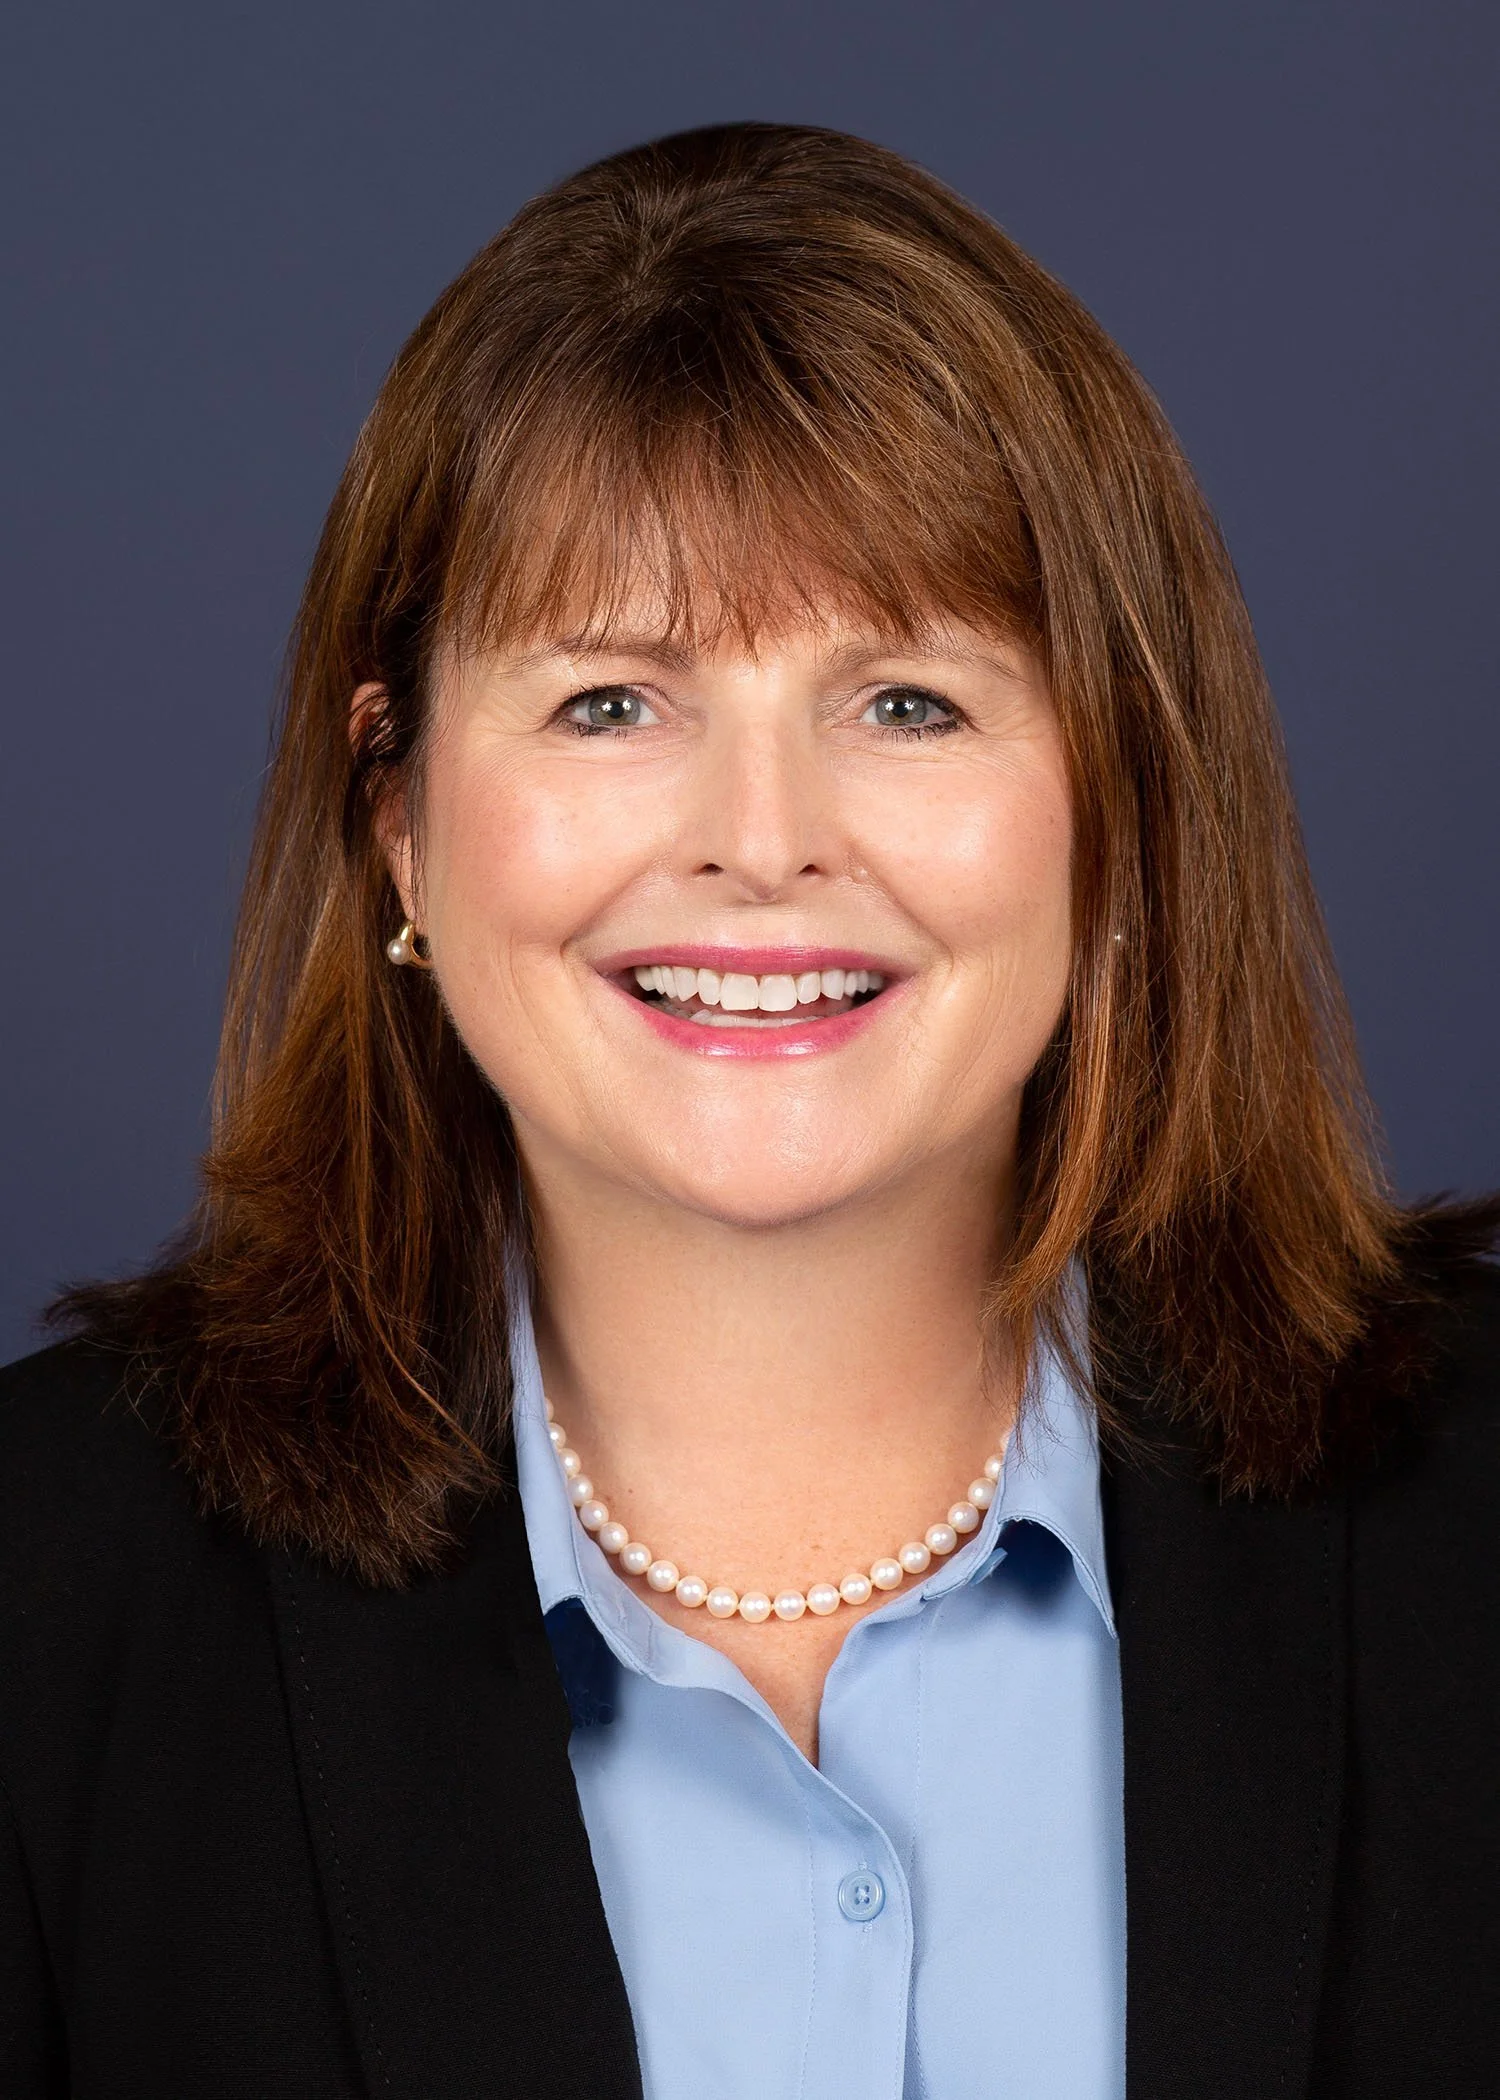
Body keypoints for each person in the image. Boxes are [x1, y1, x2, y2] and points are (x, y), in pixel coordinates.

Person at [1, 120, 1496, 2100]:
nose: (764, 841)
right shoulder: (42, 1608)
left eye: (907, 702)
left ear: (1123, 811)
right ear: (399, 817)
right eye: (612, 703)